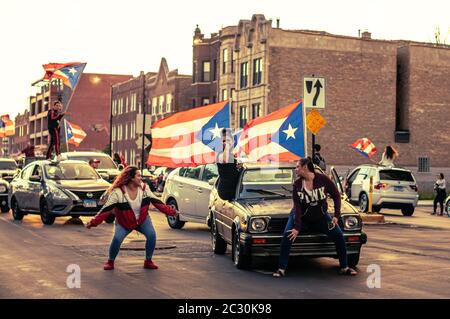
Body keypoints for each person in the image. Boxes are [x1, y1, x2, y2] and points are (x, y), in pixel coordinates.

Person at [273, 157, 357, 277]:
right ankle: (281, 269)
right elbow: (297, 207)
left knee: (339, 236)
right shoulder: (297, 184)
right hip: (301, 218)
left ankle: (344, 267)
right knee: (288, 235)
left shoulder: (323, 179)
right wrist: (297, 227)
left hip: (321, 217)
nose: (296, 169)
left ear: (305, 167)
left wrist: (336, 216)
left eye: (297, 167)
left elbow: (336, 196)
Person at [86, 166, 178, 270]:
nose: (141, 178)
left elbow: (157, 202)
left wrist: (172, 212)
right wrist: (93, 222)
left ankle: (148, 261)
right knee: (117, 239)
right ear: (131, 178)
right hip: (124, 222)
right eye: (138, 175)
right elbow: (106, 210)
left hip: (142, 220)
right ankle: (110, 261)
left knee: (151, 235)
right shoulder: (118, 192)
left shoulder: (144, 189)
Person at [216, 129, 242, 200]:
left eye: (228, 140)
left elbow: (232, 170)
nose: (225, 143)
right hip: (226, 192)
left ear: (233, 141)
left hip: (237, 190)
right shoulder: (221, 155)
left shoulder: (231, 155)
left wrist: (238, 168)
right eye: (224, 141)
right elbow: (225, 159)